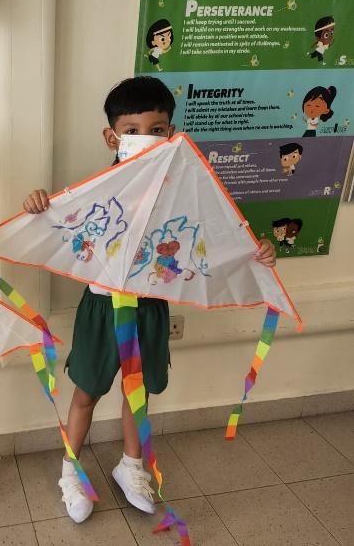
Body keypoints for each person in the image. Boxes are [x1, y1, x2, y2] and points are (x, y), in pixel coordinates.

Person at [22, 76, 277, 523]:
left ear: (172, 133)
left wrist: (260, 250)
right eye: (134, 129)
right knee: (87, 392)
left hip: (151, 305)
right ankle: (71, 470)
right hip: (102, 308)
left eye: (157, 129)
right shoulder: (95, 189)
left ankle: (131, 465)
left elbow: (216, 235)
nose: (147, 138)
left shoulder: (183, 191)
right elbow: (59, 226)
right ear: (112, 136)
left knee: (137, 393)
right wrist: (37, 206)